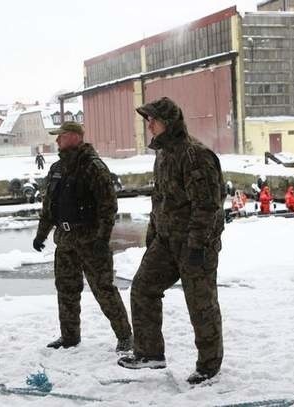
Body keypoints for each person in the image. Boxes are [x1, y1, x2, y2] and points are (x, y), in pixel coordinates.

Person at [117, 97, 226, 385]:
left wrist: (196, 247)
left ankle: (209, 366)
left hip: (195, 244)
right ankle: (150, 353)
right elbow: (160, 199)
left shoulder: (195, 155)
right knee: (142, 288)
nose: (148, 124)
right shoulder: (163, 154)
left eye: (152, 119)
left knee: (200, 304)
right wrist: (153, 235)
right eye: (147, 119)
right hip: (166, 242)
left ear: (168, 122)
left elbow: (207, 206)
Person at [32, 121, 133, 352]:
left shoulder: (93, 167)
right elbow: (49, 207)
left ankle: (125, 336)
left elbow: (108, 208)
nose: (57, 140)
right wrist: (41, 234)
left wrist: (102, 240)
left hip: (90, 239)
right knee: (66, 289)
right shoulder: (57, 169)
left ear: (76, 137)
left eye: (62, 136)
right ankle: (69, 336)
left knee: (103, 289)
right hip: (65, 240)